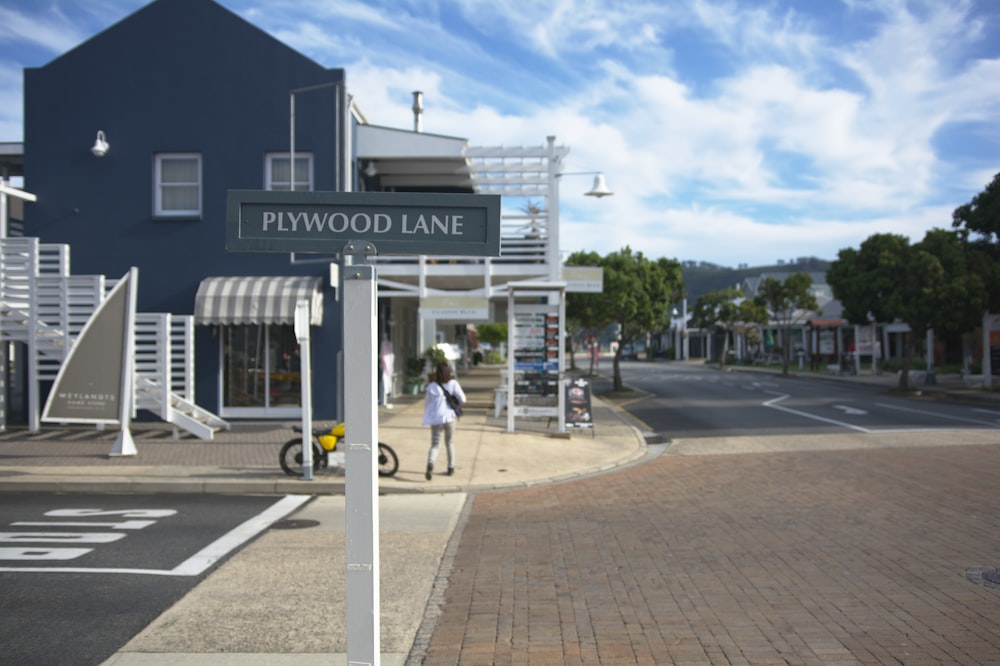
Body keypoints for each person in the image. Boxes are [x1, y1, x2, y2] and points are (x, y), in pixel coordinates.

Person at [422, 361, 466, 480]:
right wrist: (455, 402)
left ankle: (431, 463)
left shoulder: (431, 386)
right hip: (450, 417)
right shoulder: (453, 384)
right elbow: (463, 399)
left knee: (435, 445)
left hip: (436, 419)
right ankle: (451, 468)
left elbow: (427, 404)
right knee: (450, 442)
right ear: (448, 372)